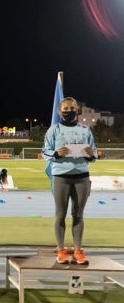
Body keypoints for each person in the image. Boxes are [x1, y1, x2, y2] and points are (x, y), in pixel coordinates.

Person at [42, 96, 96, 265]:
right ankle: (61, 250)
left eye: (72, 109)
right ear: (59, 111)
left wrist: (90, 154)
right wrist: (56, 154)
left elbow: (93, 153)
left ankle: (78, 250)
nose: (69, 112)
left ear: (77, 110)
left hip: (81, 177)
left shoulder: (85, 130)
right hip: (61, 177)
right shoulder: (54, 130)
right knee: (60, 215)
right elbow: (45, 151)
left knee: (78, 215)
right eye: (65, 109)